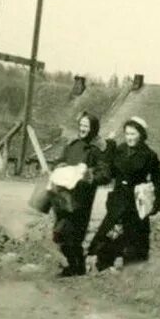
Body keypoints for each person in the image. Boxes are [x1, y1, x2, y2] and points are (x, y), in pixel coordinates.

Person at [87, 116, 160, 272]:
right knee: (108, 236)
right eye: (127, 134)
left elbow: (158, 181)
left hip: (136, 205)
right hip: (117, 201)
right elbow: (110, 170)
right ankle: (103, 266)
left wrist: (157, 202)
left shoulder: (149, 155)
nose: (129, 137)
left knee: (134, 242)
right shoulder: (120, 150)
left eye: (133, 134)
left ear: (141, 135)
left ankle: (132, 272)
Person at [52, 112, 104, 278]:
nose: (83, 128)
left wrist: (86, 175)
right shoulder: (72, 145)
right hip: (64, 196)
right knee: (59, 231)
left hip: (82, 198)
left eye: (86, 126)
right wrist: (60, 166)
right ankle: (75, 264)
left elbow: (105, 174)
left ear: (93, 129)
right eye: (81, 125)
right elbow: (60, 160)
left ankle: (76, 267)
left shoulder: (97, 150)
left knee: (74, 232)